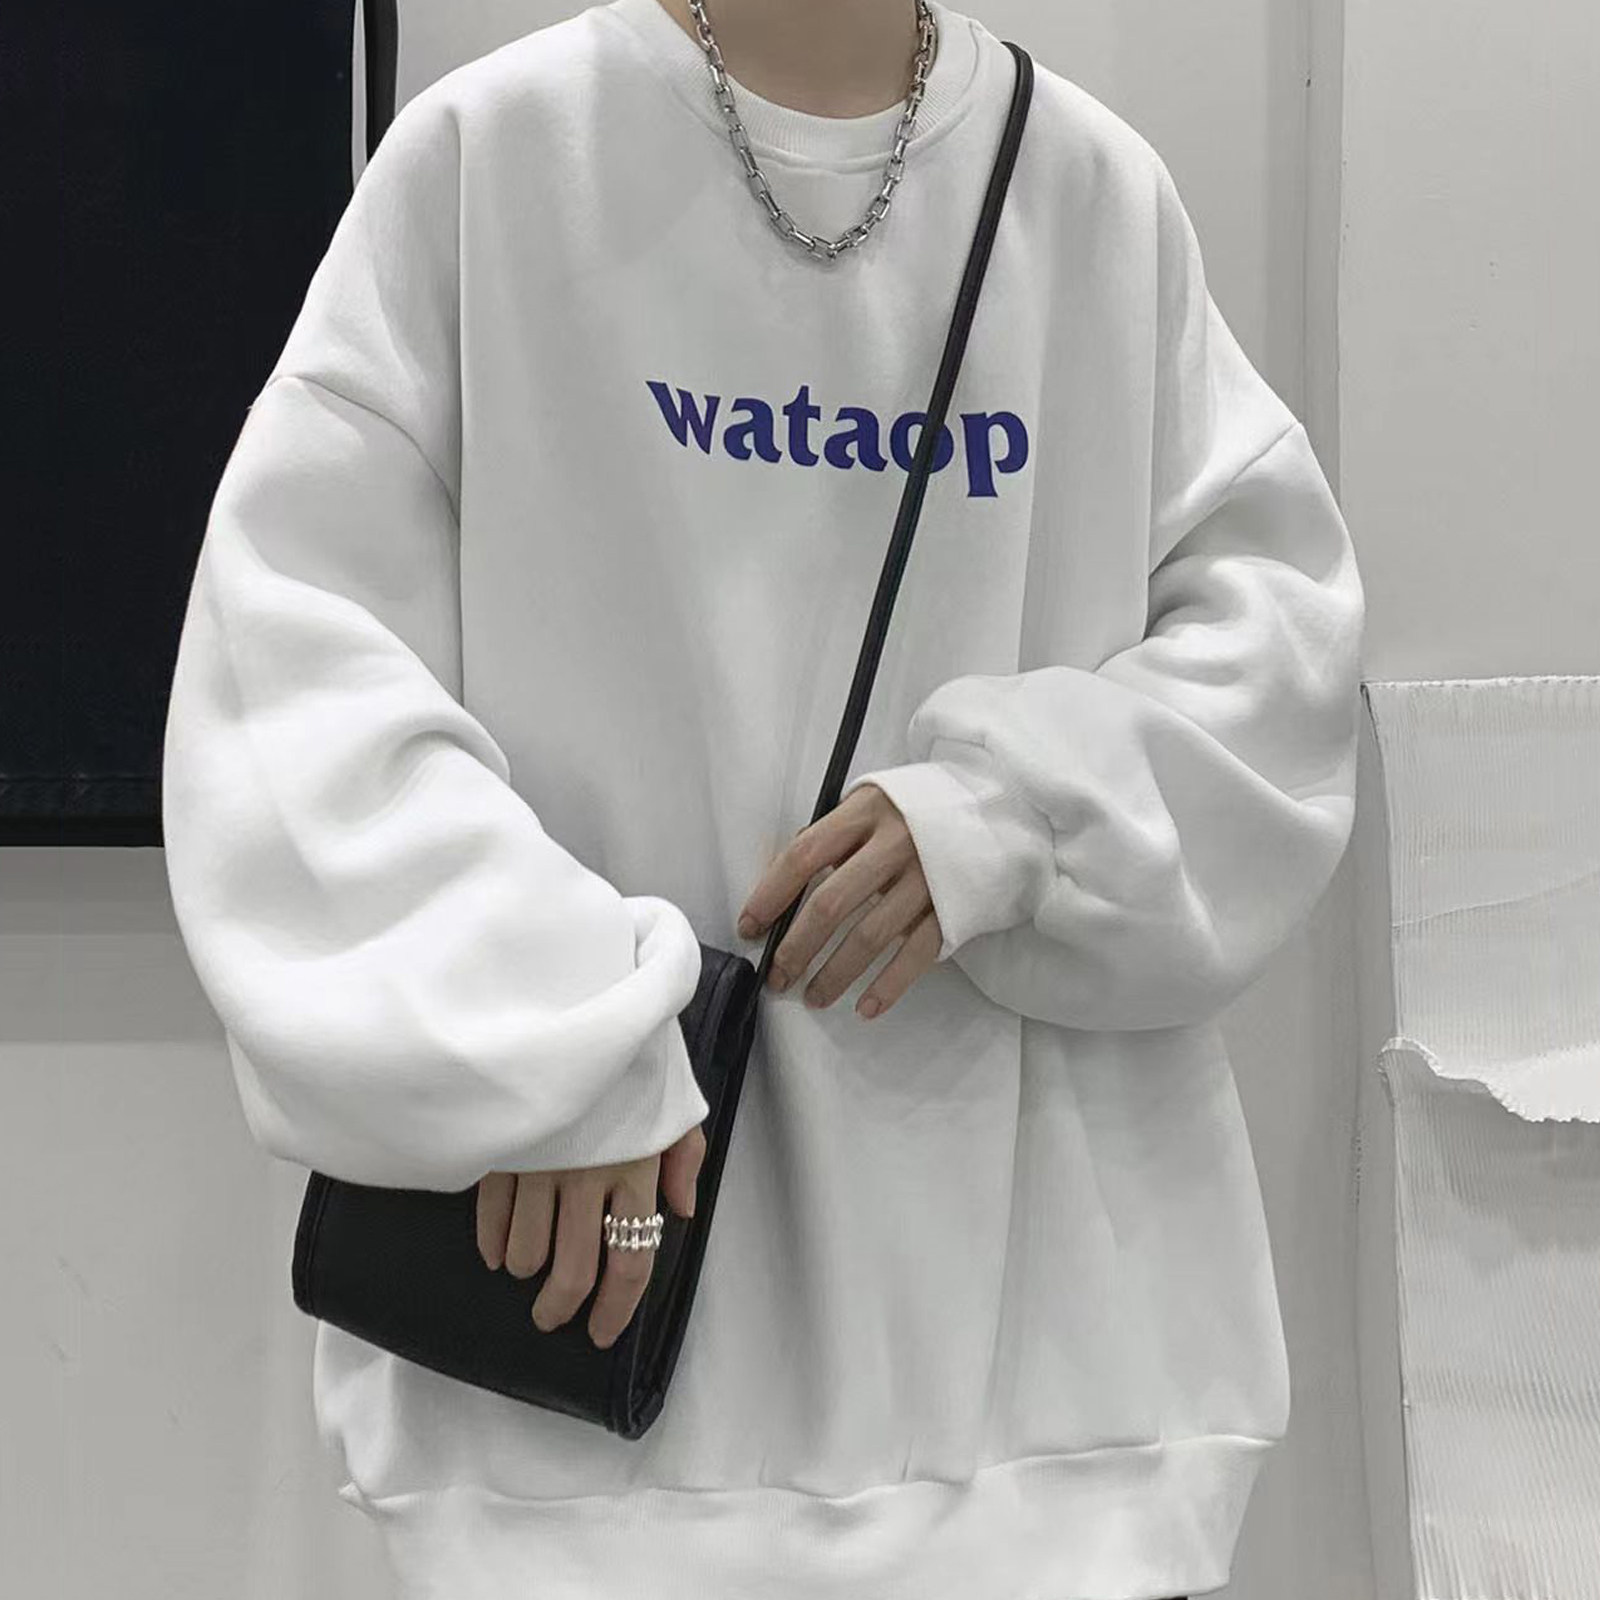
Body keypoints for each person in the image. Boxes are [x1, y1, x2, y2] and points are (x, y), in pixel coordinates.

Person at [159, 0, 1364, 1596]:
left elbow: (1280, 678)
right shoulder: (498, 159)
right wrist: (551, 1039)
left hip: (1054, 1431)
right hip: (582, 1429)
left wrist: (1012, 821)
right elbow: (286, 685)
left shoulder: (1087, 193)